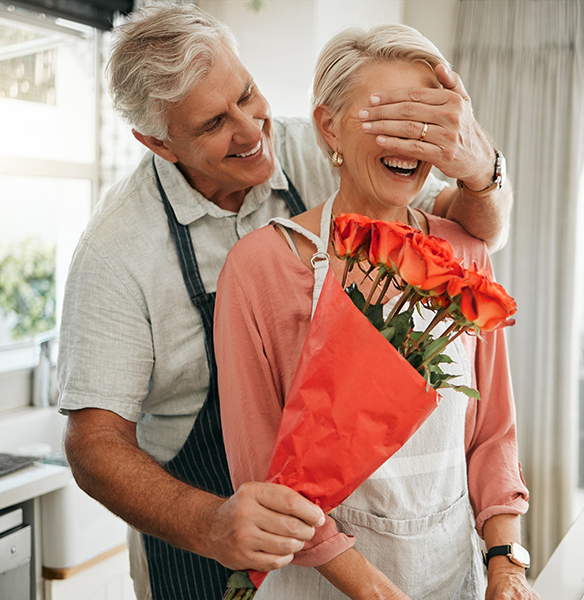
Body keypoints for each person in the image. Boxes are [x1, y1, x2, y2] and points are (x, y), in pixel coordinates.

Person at [58, 4, 513, 600]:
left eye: (247, 94)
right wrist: (213, 525)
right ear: (158, 142)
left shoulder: (310, 144)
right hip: (198, 518)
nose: (250, 130)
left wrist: (485, 170)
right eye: (214, 123)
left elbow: (464, 229)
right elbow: (92, 444)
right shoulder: (117, 250)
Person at [215, 24, 538, 600]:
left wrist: (506, 564)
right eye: (387, 117)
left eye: (425, 122)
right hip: (321, 583)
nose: (408, 139)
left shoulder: (465, 253)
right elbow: (264, 475)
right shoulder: (259, 268)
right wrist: (372, 590)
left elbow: (493, 437)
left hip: (449, 576)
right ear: (328, 126)